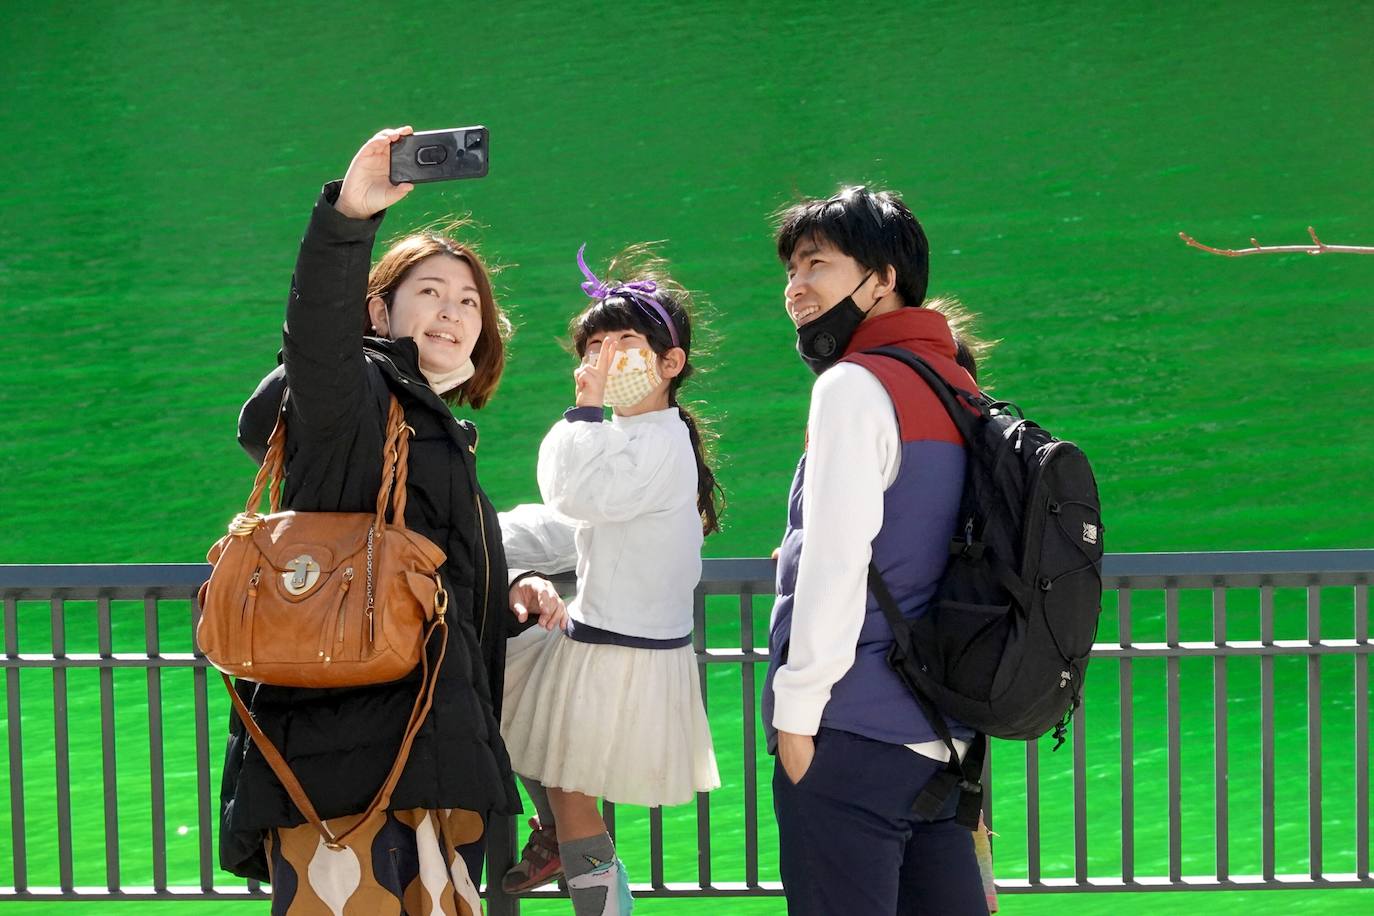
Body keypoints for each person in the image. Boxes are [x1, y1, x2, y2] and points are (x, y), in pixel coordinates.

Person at [220, 127, 565, 915]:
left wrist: (504, 600)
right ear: (377, 308)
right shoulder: (353, 401)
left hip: (414, 756)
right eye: (432, 294)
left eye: (470, 301)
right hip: (354, 777)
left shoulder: (429, 428)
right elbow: (316, 341)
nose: (455, 312)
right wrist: (348, 216)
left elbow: (414, 581)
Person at [764, 186, 991, 914]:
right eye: (791, 271)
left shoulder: (855, 386)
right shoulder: (960, 387)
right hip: (944, 741)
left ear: (883, 277)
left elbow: (837, 563)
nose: (796, 288)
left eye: (816, 264)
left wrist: (795, 718)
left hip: (851, 736)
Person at [495, 245, 723, 915]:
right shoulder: (654, 434)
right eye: (594, 345)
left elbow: (570, 493)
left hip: (614, 653)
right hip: (615, 643)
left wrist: (584, 412)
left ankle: (585, 875)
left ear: (670, 362)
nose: (605, 358)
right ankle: (560, 845)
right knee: (507, 699)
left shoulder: (651, 441)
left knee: (567, 790)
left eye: (625, 343)